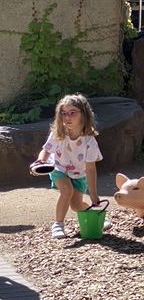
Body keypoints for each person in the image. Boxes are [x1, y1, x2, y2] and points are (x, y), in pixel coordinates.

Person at [30, 94, 110, 238]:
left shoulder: (89, 141)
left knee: (76, 205)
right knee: (66, 191)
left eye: (72, 113)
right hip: (59, 169)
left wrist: (93, 194)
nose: (67, 117)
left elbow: (90, 168)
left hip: (79, 174)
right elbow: (46, 150)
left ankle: (97, 214)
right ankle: (58, 225)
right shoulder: (58, 133)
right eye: (63, 113)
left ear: (83, 114)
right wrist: (40, 161)